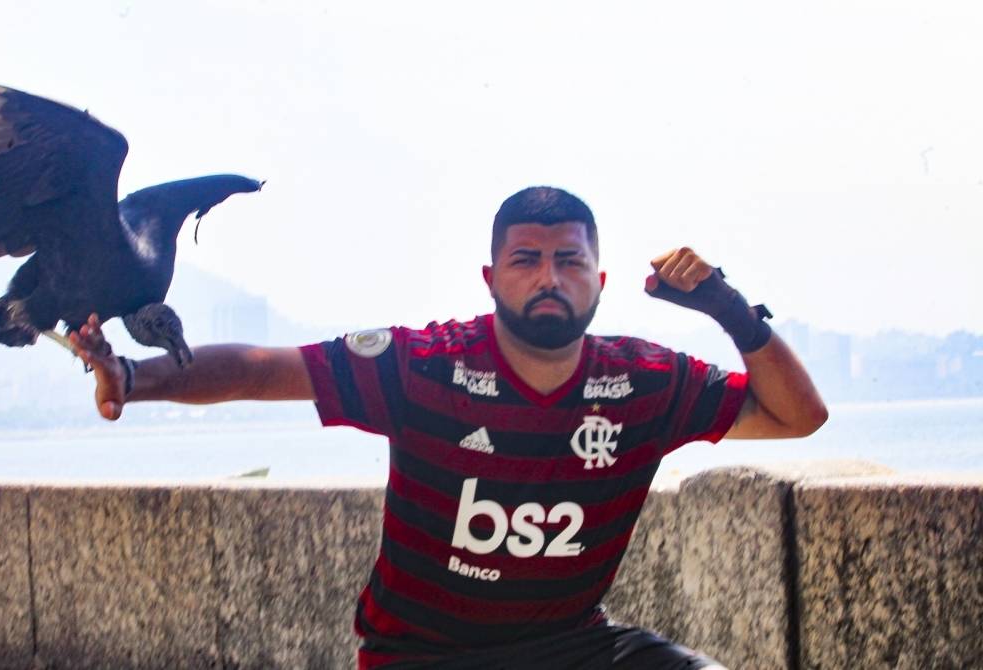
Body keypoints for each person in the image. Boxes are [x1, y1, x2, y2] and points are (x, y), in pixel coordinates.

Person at [70, 186, 827, 669]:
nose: (549, 277)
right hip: (422, 656)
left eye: (569, 261)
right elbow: (262, 369)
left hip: (574, 648)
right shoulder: (423, 365)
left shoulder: (644, 380)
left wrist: (727, 307)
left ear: (599, 281)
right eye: (526, 259)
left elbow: (798, 416)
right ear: (491, 278)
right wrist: (133, 378)